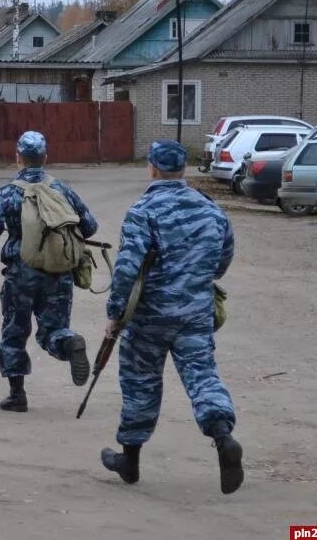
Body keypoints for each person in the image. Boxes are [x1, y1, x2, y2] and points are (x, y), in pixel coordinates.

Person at [100, 140, 242, 494]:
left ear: (151, 167)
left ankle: (129, 460)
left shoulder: (143, 210)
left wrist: (115, 314)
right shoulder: (212, 211)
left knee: (140, 383)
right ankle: (223, 437)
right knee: (203, 378)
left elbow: (127, 269)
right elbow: (222, 261)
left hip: (149, 317)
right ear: (184, 169)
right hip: (195, 313)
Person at [0, 130, 98, 412]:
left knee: (14, 333)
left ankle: (17, 395)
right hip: (59, 273)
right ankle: (68, 343)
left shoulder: (8, 194)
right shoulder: (61, 190)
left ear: (17, 157)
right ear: (45, 157)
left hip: (21, 274)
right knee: (53, 329)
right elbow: (89, 225)